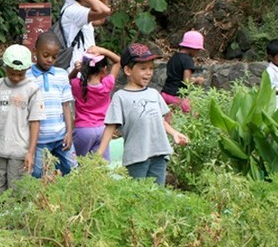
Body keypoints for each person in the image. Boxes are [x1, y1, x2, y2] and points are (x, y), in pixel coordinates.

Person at [96, 43, 189, 186]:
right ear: (127, 70)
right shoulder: (120, 97)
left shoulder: (153, 93)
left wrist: (174, 133)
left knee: (157, 195)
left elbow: (160, 120)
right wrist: (99, 154)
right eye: (143, 68)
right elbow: (110, 127)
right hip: (136, 157)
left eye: (151, 68)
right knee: (137, 195)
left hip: (159, 152)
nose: (148, 73)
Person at [0, 44, 46, 192]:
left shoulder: (32, 90)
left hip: (20, 151)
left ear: (27, 70)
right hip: (0, 148)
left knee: (16, 192)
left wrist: (30, 152)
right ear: (5, 67)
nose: (16, 77)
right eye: (12, 73)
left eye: (20, 74)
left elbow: (35, 123)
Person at [26, 32, 77, 178]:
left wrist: (69, 132)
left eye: (54, 57)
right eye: (46, 55)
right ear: (35, 52)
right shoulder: (27, 76)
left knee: (73, 169)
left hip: (61, 137)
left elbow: (66, 106)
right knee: (38, 174)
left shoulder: (61, 75)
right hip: (39, 140)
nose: (50, 60)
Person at [69, 45, 121, 161]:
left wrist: (76, 70)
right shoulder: (107, 84)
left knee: (77, 164)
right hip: (103, 129)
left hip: (83, 130)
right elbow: (118, 61)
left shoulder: (78, 85)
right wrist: (102, 50)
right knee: (99, 166)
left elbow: (68, 80)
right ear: (103, 70)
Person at [62, 0, 113, 73]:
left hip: (85, 71)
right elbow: (105, 11)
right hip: (76, 71)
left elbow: (99, 20)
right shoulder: (73, 11)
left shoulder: (79, 9)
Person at [161, 30, 205, 120]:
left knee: (169, 119)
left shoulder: (174, 57)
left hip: (165, 93)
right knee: (195, 115)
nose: (198, 52)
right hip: (177, 96)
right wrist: (197, 80)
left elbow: (177, 76)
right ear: (192, 48)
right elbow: (186, 82)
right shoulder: (188, 60)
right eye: (198, 50)